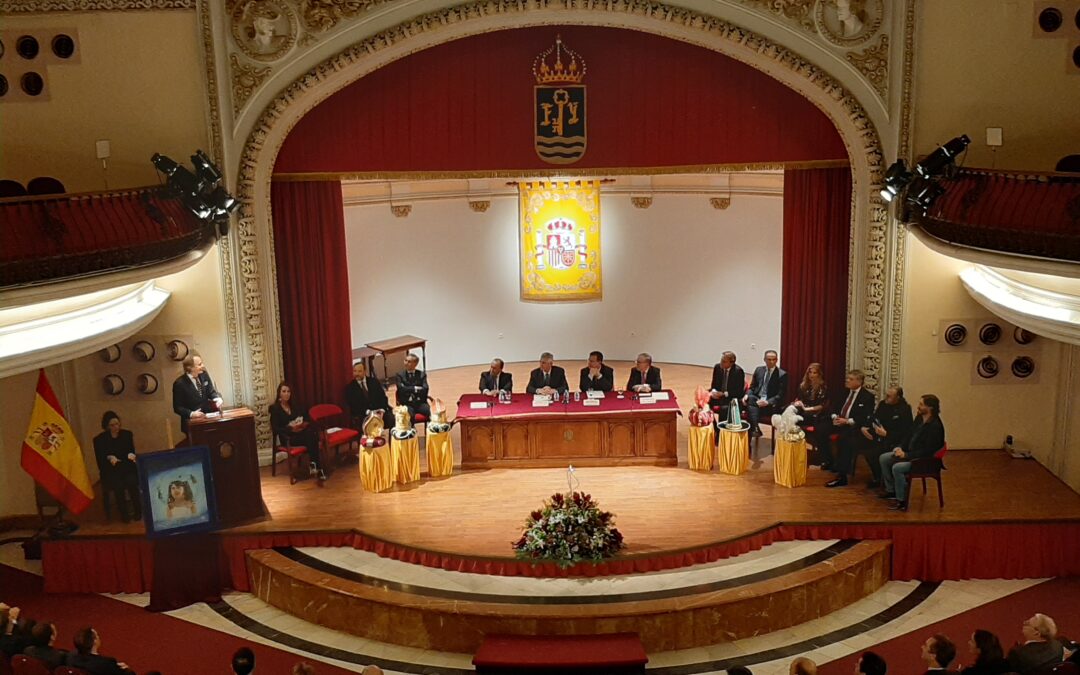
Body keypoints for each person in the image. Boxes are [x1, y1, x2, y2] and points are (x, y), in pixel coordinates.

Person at [879, 394, 946, 511]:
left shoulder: (935, 427)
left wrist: (907, 455)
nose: (918, 407)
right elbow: (909, 435)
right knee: (884, 458)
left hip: (923, 460)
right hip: (910, 453)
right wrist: (900, 447)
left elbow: (927, 451)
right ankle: (891, 491)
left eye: (921, 405)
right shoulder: (920, 418)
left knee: (897, 468)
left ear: (930, 408)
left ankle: (902, 500)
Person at [826, 370, 876, 488]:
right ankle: (828, 461)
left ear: (859, 381)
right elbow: (834, 407)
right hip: (838, 422)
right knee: (821, 429)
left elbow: (864, 417)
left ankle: (842, 476)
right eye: (847, 378)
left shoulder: (867, 397)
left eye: (851, 379)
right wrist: (835, 417)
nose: (847, 381)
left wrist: (847, 421)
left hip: (853, 427)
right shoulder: (844, 392)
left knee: (845, 440)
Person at [269, 381, 325, 484]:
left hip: (299, 433)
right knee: (311, 437)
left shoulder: (294, 406)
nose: (286, 394)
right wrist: (290, 428)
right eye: (284, 391)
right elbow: (276, 428)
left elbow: (305, 417)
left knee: (311, 433)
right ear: (279, 393)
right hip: (287, 437)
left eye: (288, 391)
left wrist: (302, 424)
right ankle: (316, 467)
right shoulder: (275, 409)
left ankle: (314, 465)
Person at [92, 411, 141, 522]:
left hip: (126, 467)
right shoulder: (100, 439)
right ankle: (124, 514)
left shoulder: (126, 435)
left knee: (132, 481)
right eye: (112, 425)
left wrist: (130, 455)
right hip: (111, 470)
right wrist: (109, 458)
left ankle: (138, 511)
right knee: (118, 485)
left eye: (117, 424)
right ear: (107, 426)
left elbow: (130, 451)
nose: (116, 427)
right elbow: (100, 460)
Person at [863, 386, 913, 488]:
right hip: (879, 436)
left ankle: (886, 481)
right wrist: (866, 427)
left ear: (898, 397)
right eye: (886, 395)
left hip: (895, 440)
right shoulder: (883, 404)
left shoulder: (904, 410)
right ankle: (878, 477)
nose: (886, 398)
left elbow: (905, 431)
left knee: (875, 453)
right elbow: (874, 417)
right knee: (867, 450)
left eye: (889, 396)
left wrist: (887, 434)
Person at [171, 354, 223, 437]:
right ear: (190, 368)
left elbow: (211, 392)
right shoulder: (179, 384)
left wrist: (217, 398)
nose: (203, 366)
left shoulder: (204, 375)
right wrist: (191, 414)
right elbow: (177, 407)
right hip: (192, 425)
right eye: (199, 364)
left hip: (208, 420)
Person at [793, 363, 831, 467]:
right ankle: (793, 451)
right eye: (810, 372)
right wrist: (799, 404)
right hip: (804, 412)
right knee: (790, 418)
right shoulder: (803, 385)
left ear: (819, 374)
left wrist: (808, 409)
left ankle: (824, 457)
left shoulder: (824, 387)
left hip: (818, 414)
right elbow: (800, 400)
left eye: (814, 373)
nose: (812, 375)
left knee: (819, 428)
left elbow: (822, 405)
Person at [744, 349, 787, 438]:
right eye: (769, 359)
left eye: (774, 359)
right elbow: (752, 387)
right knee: (749, 399)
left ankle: (754, 429)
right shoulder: (759, 370)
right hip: (757, 400)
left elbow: (780, 395)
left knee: (750, 406)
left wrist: (767, 402)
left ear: (776, 360)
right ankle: (755, 428)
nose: (771, 362)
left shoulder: (782, 375)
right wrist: (747, 394)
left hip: (769, 405)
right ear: (764, 359)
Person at [345, 361, 394, 429]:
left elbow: (383, 397)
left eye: (359, 371)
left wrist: (382, 409)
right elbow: (353, 405)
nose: (357, 374)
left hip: (378, 410)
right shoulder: (350, 388)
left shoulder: (374, 382)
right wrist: (368, 412)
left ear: (365, 371)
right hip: (363, 414)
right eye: (355, 371)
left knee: (391, 418)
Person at [65, 627, 132, 675]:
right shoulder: (107, 663)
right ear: (95, 641)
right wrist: (127, 670)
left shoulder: (70, 657)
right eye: (97, 635)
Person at [709, 351, 746, 421]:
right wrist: (713, 391)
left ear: (731, 363)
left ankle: (721, 430)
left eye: (724, 361)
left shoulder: (738, 371)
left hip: (730, 398)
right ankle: (713, 427)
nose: (721, 363)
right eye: (721, 360)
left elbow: (739, 392)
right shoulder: (717, 367)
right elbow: (714, 384)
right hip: (718, 395)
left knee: (724, 409)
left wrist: (724, 394)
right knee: (703, 401)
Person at [395, 353, 431, 423]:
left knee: (431, 412)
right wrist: (415, 388)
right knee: (409, 416)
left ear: (415, 364)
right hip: (407, 403)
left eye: (409, 362)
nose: (406, 363)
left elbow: (425, 389)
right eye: (405, 360)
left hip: (420, 402)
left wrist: (407, 388)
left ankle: (431, 431)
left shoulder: (421, 374)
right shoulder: (399, 375)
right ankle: (412, 432)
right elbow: (401, 389)